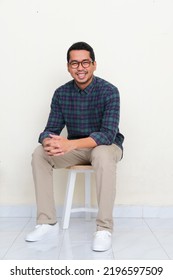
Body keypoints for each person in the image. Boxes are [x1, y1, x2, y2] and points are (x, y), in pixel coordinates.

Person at [25, 42, 124, 252]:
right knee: (39, 154)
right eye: (75, 63)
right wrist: (48, 141)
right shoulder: (61, 94)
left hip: (106, 146)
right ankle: (47, 222)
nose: (80, 68)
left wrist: (70, 144)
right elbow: (49, 129)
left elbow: (107, 135)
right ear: (68, 67)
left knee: (102, 154)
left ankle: (104, 228)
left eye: (85, 62)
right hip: (77, 149)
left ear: (94, 64)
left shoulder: (110, 91)